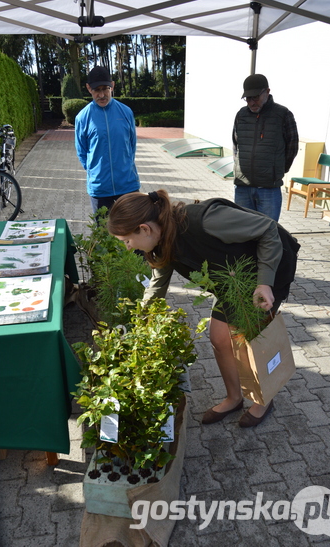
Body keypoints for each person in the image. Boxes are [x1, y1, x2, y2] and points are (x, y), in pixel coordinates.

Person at [107, 189, 300, 428]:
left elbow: (268, 229)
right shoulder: (161, 240)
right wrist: (143, 318)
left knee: (249, 339)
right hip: (232, 281)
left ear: (145, 229)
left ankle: (264, 398)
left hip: (268, 268)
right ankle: (234, 398)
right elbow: (158, 283)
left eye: (127, 240)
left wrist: (265, 282)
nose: (127, 247)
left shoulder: (205, 220)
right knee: (219, 338)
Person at [232, 74, 299, 222]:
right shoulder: (241, 115)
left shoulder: (283, 115)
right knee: (242, 233)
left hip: (269, 189)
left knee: (267, 235)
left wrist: (277, 170)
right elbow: (236, 146)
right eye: (247, 98)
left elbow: (292, 147)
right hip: (242, 187)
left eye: (255, 97)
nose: (251, 102)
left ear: (267, 92)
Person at [75, 65, 140, 214]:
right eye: (97, 90)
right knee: (103, 233)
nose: (102, 94)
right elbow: (82, 152)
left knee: (132, 231)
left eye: (105, 89)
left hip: (127, 185)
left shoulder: (126, 112)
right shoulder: (83, 117)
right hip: (100, 189)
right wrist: (95, 172)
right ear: (89, 88)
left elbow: (132, 145)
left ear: (112, 86)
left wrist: (124, 167)